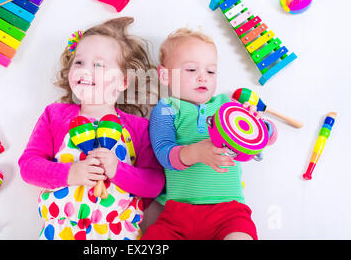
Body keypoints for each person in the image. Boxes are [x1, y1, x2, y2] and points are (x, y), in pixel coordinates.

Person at [18, 17, 165, 240]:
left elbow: (154, 184)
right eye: (79, 62)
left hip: (118, 233)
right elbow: (28, 166)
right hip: (60, 231)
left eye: (98, 64)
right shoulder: (55, 115)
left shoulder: (139, 128)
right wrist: (69, 173)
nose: (85, 70)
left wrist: (118, 171)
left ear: (123, 81)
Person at [141, 28, 277, 240]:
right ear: (165, 75)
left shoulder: (228, 105)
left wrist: (260, 126)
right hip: (178, 214)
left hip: (229, 211)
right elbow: (163, 152)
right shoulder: (167, 108)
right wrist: (195, 153)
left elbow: (263, 139)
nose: (203, 77)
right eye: (191, 70)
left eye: (211, 71)